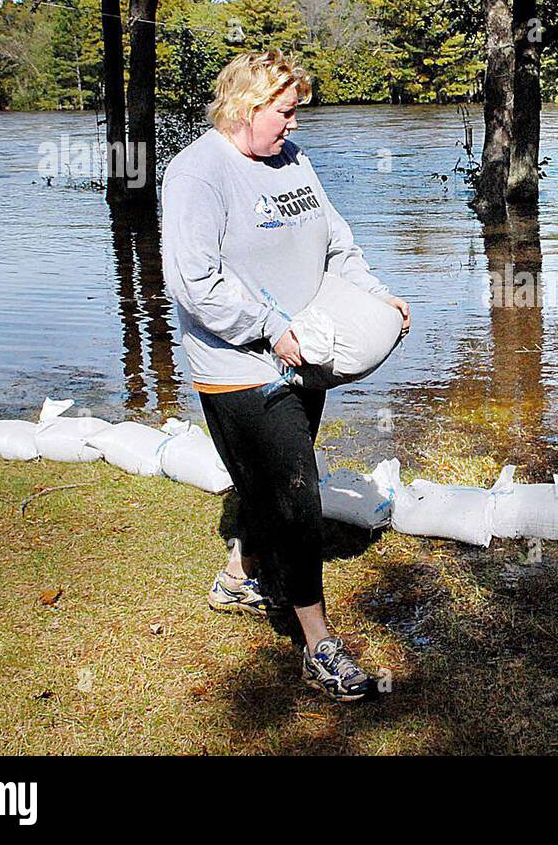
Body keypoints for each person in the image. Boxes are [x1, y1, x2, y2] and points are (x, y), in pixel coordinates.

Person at [160, 50, 410, 702]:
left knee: (273, 481)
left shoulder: (293, 162)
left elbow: (336, 245)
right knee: (296, 495)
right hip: (239, 364)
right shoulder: (197, 174)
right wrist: (272, 329)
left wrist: (377, 297)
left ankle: (240, 574)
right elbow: (195, 283)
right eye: (285, 111)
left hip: (305, 349)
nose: (294, 125)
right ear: (245, 108)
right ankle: (320, 645)